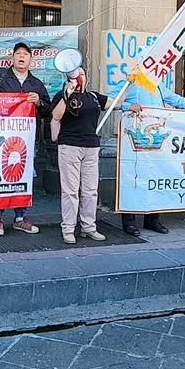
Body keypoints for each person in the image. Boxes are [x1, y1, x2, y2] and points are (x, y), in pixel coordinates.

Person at [118, 81, 185, 237]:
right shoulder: (130, 84)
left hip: (156, 142)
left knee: (155, 176)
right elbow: (111, 100)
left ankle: (152, 219)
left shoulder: (158, 86)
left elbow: (175, 99)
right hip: (136, 141)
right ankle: (129, 220)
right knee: (133, 177)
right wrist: (128, 106)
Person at [0, 42, 51, 236]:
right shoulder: (0, 77)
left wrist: (39, 102)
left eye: (25, 54)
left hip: (26, 140)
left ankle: (21, 217)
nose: (21, 57)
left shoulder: (36, 84)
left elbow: (48, 110)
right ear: (12, 58)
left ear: (30, 60)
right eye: (18, 53)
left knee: (23, 175)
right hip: (0, 136)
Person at [50, 66, 123, 244]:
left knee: (90, 191)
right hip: (70, 146)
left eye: (82, 73)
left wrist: (129, 81)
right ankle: (68, 228)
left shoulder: (94, 97)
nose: (80, 76)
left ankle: (88, 227)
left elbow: (117, 103)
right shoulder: (62, 96)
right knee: (70, 191)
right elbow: (56, 115)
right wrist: (68, 93)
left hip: (91, 146)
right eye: (76, 74)